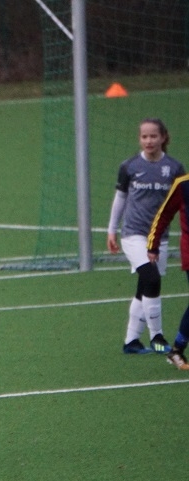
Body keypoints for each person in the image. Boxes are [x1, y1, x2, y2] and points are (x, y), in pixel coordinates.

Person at [107, 118, 186, 355]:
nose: (148, 141)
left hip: (158, 237)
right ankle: (157, 337)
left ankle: (131, 341)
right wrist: (111, 229)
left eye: (153, 136)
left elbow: (183, 199)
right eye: (144, 136)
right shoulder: (129, 166)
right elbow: (120, 198)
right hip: (134, 235)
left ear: (163, 138)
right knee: (151, 278)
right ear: (139, 139)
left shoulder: (174, 168)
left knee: (145, 286)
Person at [147, 173, 189, 368]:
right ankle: (177, 350)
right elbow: (164, 214)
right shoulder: (183, 184)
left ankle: (177, 350)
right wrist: (153, 245)